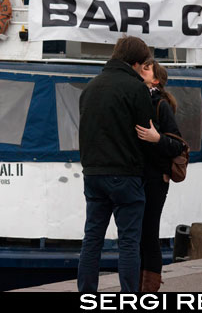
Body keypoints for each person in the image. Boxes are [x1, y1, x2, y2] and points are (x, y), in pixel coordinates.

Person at [77, 36, 155, 293]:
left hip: (94, 175)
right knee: (129, 243)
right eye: (142, 64)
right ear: (135, 63)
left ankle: (87, 294)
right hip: (126, 175)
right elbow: (144, 134)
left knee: (92, 241)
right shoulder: (136, 89)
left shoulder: (90, 88)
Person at [135, 59, 184, 292]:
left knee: (149, 232)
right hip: (137, 176)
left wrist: (158, 139)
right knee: (137, 234)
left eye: (146, 68)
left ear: (155, 80)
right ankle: (138, 287)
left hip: (155, 179)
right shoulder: (135, 99)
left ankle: (149, 289)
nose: (141, 70)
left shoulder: (160, 104)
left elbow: (177, 145)